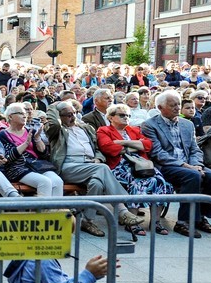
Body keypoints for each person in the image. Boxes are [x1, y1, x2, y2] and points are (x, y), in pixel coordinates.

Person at [45, 101, 143, 236]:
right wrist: (53, 105)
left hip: (91, 165)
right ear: (59, 116)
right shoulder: (57, 130)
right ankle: (122, 210)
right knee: (102, 169)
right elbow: (54, 123)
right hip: (69, 166)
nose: (72, 117)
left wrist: (98, 158)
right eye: (68, 115)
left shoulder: (86, 128)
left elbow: (97, 148)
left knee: (96, 183)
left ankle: (86, 220)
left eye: (74, 113)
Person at [142, 91, 211, 238]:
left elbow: (195, 149)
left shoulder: (187, 124)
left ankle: (200, 218)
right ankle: (183, 222)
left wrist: (197, 164)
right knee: (192, 176)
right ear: (160, 107)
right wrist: (187, 166)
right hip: (166, 166)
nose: (177, 108)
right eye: (172, 105)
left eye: (178, 104)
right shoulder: (150, 125)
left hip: (191, 164)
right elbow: (158, 154)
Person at [96, 104, 174, 236]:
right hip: (120, 165)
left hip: (142, 164)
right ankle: (132, 222)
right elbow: (108, 147)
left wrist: (122, 143)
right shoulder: (104, 130)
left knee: (161, 181)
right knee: (136, 181)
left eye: (128, 115)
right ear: (110, 117)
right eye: (122, 115)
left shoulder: (134, 130)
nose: (126, 118)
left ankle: (155, 222)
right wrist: (136, 145)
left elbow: (148, 145)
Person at [0, 103, 64, 197]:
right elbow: (9, 157)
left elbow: (44, 154)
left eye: (25, 112)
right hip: (18, 168)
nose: (25, 115)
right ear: (10, 117)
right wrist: (25, 144)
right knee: (44, 182)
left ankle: (55, 211)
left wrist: (37, 139)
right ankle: (43, 211)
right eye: (20, 113)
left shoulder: (31, 131)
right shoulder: (3, 135)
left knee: (57, 181)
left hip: (37, 165)